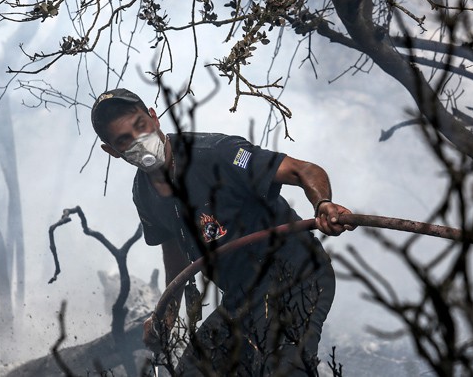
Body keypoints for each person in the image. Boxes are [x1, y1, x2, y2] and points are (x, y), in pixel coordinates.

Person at [91, 88, 354, 376]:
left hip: (296, 273)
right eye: (124, 140)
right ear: (112, 151)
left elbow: (303, 170)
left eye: (140, 126)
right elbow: (175, 252)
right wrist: (166, 313)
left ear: (153, 117)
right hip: (241, 297)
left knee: (283, 367)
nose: (139, 141)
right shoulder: (143, 194)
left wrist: (323, 203)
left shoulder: (217, 154)